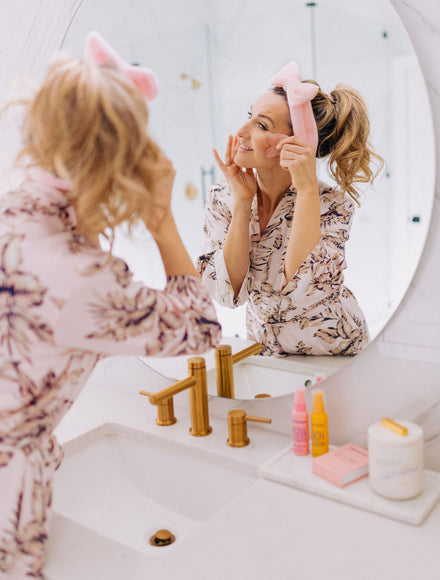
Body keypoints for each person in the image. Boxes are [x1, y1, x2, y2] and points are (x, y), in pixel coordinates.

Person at [0, 31, 221, 578]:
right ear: (125, 162)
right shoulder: (82, 278)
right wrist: (162, 219)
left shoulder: (12, 215)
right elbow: (200, 328)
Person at [197, 60, 382, 358]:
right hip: (266, 351)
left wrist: (307, 190)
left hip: (334, 352)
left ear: (295, 143)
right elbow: (225, 295)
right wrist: (243, 204)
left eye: (261, 125)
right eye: (249, 116)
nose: (241, 131)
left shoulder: (331, 205)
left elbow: (305, 293)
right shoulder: (224, 196)